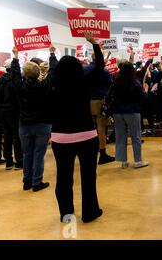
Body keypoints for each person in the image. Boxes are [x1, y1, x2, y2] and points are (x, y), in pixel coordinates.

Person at [50, 32, 104, 223]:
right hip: (86, 136)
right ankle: (90, 211)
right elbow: (99, 67)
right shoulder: (84, 83)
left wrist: (52, 56)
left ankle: (66, 213)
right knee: (88, 176)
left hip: (60, 138)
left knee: (63, 176)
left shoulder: (51, 86)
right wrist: (94, 44)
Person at [11, 45, 58, 192]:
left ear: (25, 74)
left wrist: (15, 57)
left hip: (24, 124)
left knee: (27, 154)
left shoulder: (20, 87)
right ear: (38, 73)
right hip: (42, 124)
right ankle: (37, 182)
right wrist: (52, 54)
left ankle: (27, 181)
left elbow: (15, 75)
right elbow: (53, 72)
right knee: (39, 154)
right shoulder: (44, 86)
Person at [106, 62, 149, 169]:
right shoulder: (135, 82)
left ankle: (123, 161)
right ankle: (138, 161)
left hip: (117, 112)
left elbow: (109, 96)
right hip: (132, 111)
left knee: (120, 137)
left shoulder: (115, 82)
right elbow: (144, 98)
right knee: (136, 136)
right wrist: (146, 90)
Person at [88, 44, 115, 165]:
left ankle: (92, 151)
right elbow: (111, 85)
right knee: (101, 129)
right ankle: (102, 154)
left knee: (91, 128)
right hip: (100, 101)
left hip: (88, 101)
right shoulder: (104, 72)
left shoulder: (85, 69)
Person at [0, 58, 23, 170]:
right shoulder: (14, 82)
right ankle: (19, 161)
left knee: (7, 136)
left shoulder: (0, 81)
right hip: (14, 112)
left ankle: (8, 161)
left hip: (3, 112)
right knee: (16, 136)